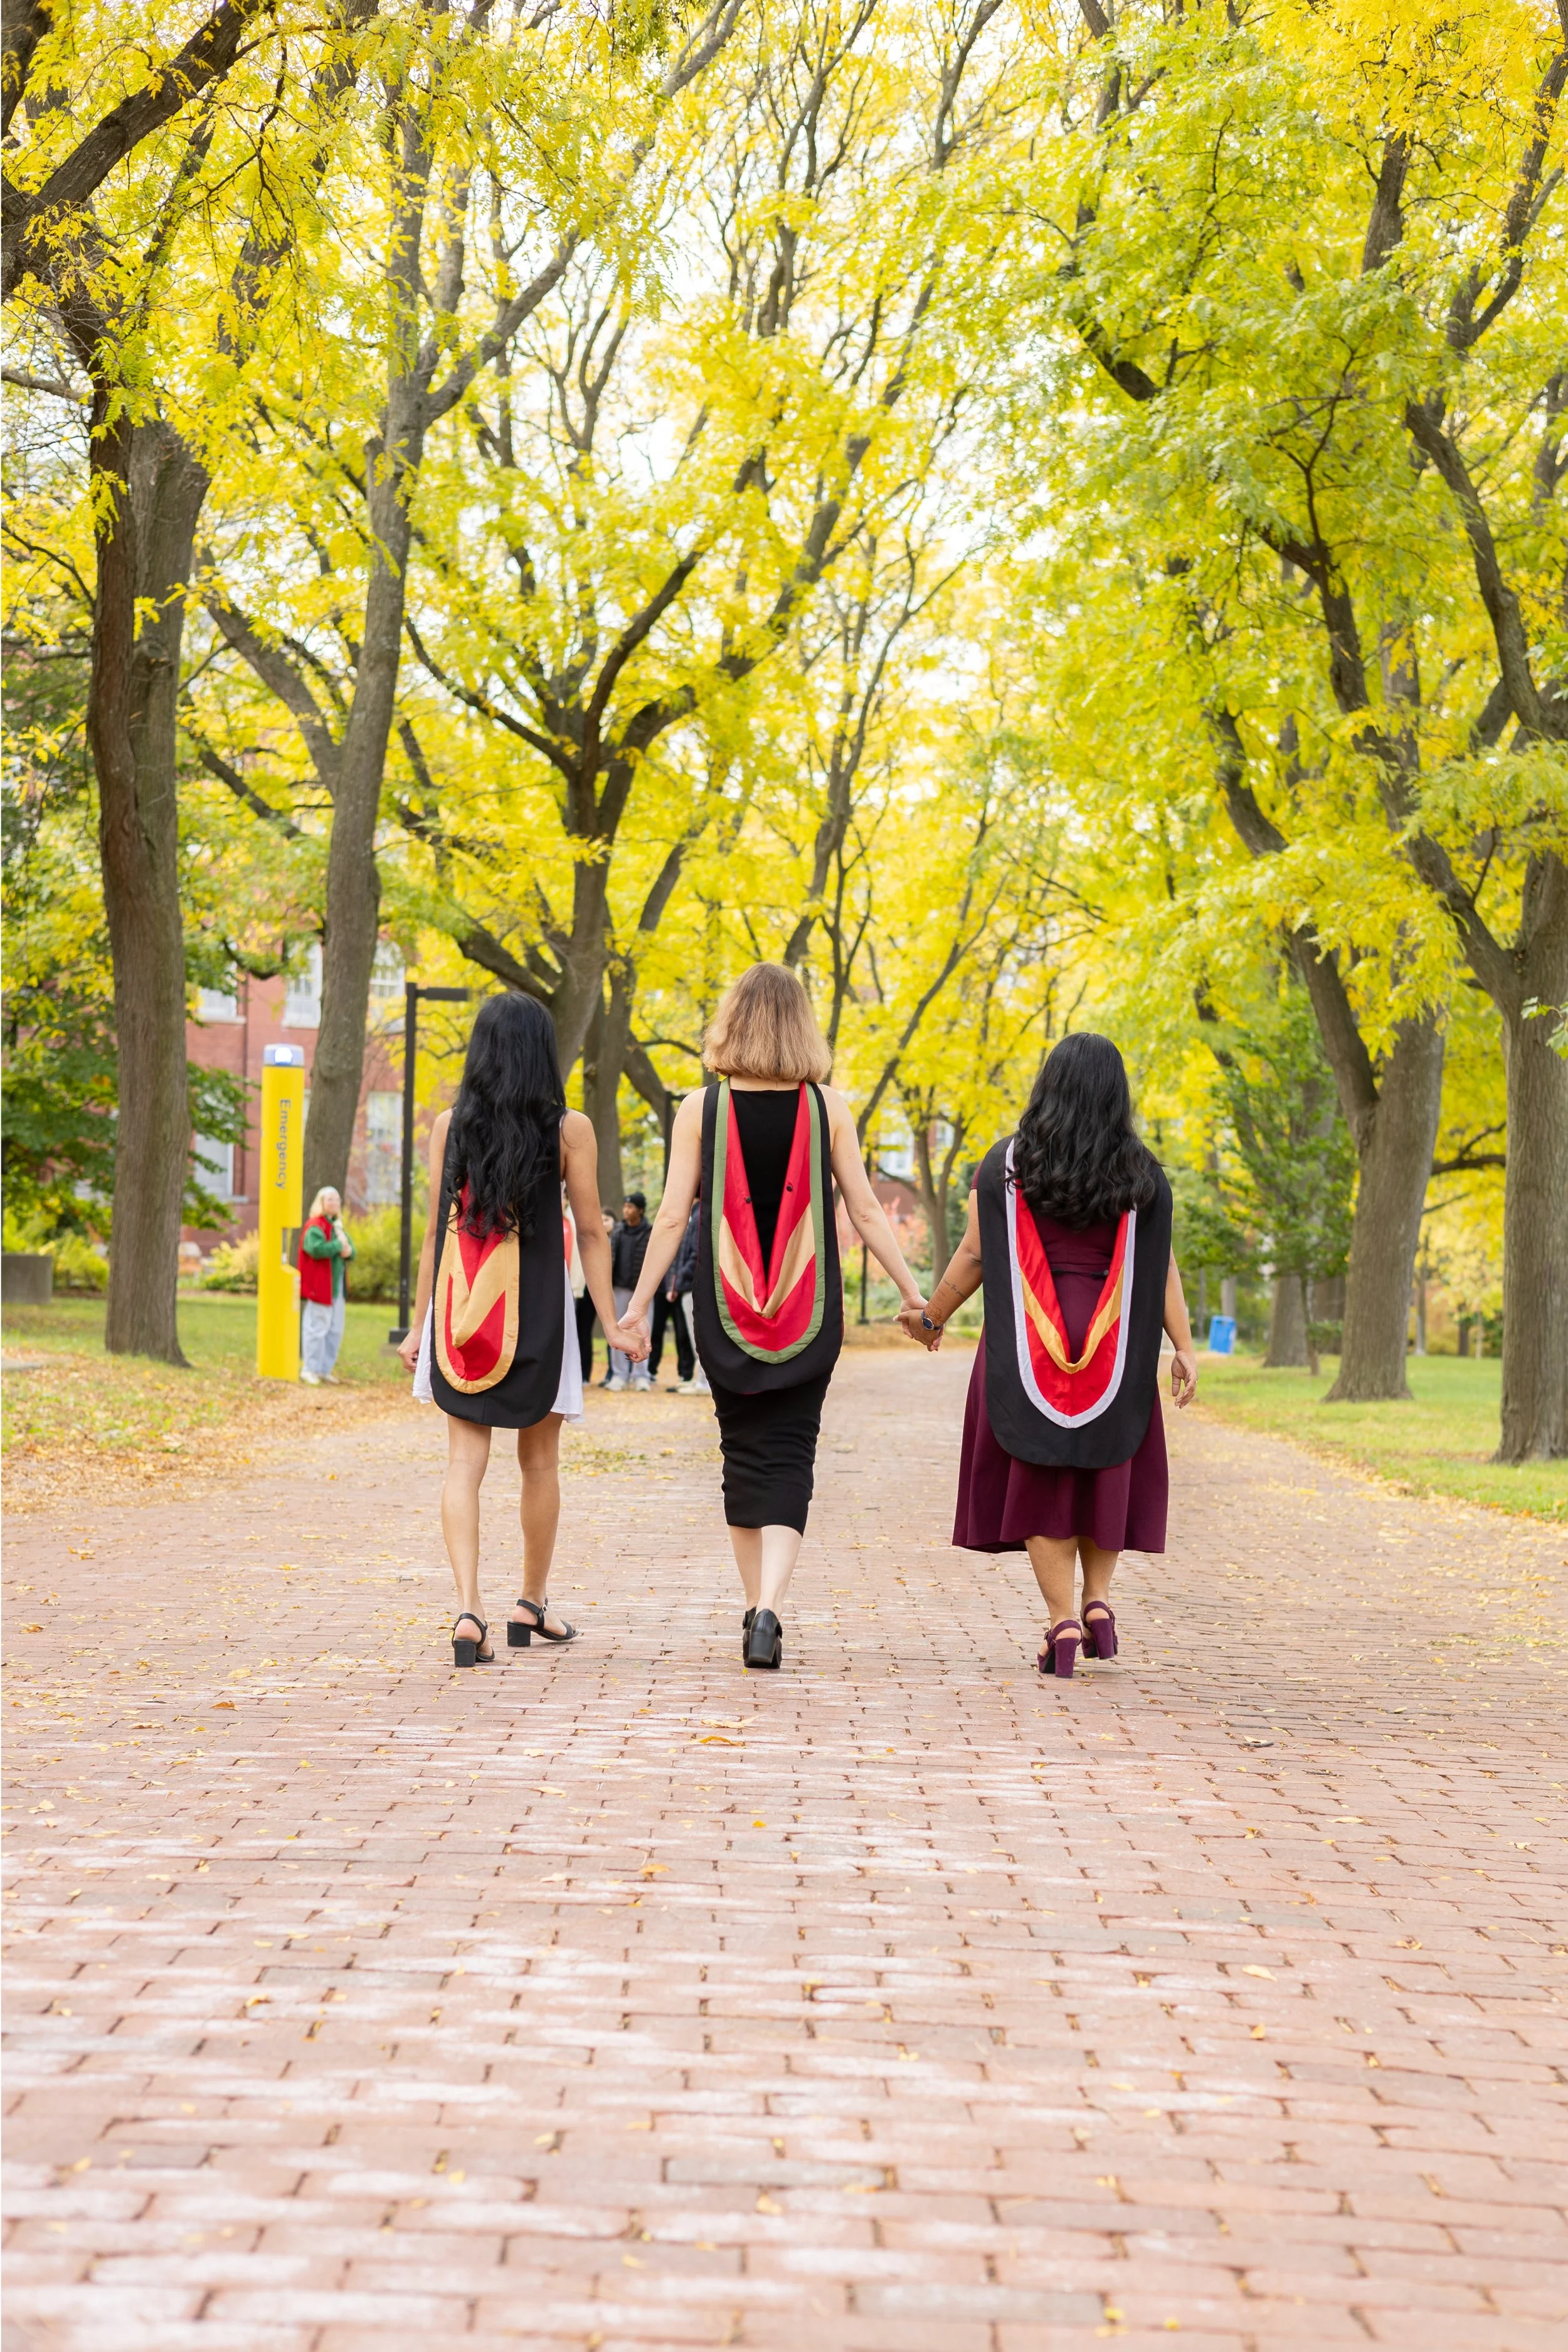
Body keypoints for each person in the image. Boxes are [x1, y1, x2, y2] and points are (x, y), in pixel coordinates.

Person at [621, 962, 927, 1671]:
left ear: (731, 1021)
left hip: (726, 1311)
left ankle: (753, 1602)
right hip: (806, 1311)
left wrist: (636, 1308)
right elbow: (864, 1210)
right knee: (793, 1452)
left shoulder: (702, 1109)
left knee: (741, 1454)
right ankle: (769, 1609)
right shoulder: (830, 1108)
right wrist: (913, 1294)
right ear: (801, 1027)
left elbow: (671, 1216)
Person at [903, 1032, 1197, 1679]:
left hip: (1024, 1345)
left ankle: (1061, 1620)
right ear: (1116, 1097)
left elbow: (976, 1254)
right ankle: (1097, 1604)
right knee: (1104, 1471)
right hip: (1115, 1345)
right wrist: (1182, 1345)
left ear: (1048, 1087)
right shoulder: (1142, 1175)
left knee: (1040, 1477)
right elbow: (1161, 1265)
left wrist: (931, 1317)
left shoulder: (1004, 1165)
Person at [397, 993, 644, 1667]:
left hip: (461, 1312)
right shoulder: (570, 1130)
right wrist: (617, 1324)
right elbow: (592, 1232)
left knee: (462, 1464)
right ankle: (529, 1603)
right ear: (544, 1052)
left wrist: (418, 1328)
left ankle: (469, 1609)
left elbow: (431, 1239)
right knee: (538, 1462)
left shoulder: (448, 1126)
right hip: (538, 1313)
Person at [299, 1187, 354, 1385]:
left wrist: (347, 1249)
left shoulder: (337, 1227)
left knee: (334, 1329)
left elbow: (351, 1250)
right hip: (320, 1286)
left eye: (337, 1199)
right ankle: (310, 1369)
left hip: (336, 1288)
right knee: (317, 1328)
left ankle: (324, 1369)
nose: (334, 1203)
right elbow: (315, 1249)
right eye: (330, 1199)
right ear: (321, 1202)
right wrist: (339, 1247)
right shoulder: (315, 1226)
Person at [649, 1202, 699, 1389]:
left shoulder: (695, 1220)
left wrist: (675, 1284)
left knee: (685, 1335)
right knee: (657, 1331)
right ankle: (652, 1370)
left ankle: (690, 1376)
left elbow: (691, 1257)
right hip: (666, 1288)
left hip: (681, 1287)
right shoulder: (663, 1231)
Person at [607, 1192, 652, 1391]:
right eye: (625, 1207)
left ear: (640, 1210)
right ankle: (619, 1375)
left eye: (631, 1207)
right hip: (619, 1288)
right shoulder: (618, 1232)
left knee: (643, 1333)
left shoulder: (650, 1232)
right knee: (617, 1330)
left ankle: (641, 1375)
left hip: (642, 1293)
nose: (626, 1211)